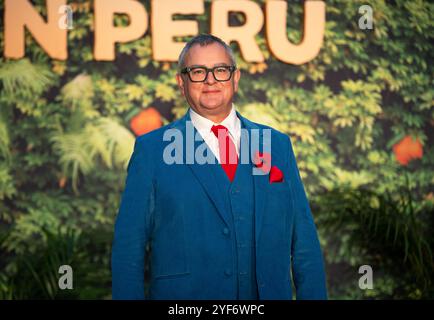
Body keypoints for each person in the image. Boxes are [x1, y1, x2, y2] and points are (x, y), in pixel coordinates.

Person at [111, 34, 327, 300]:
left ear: (235, 78)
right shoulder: (152, 150)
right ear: (182, 82)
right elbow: (128, 250)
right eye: (198, 71)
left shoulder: (276, 146)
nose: (211, 80)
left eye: (220, 70)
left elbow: (304, 244)